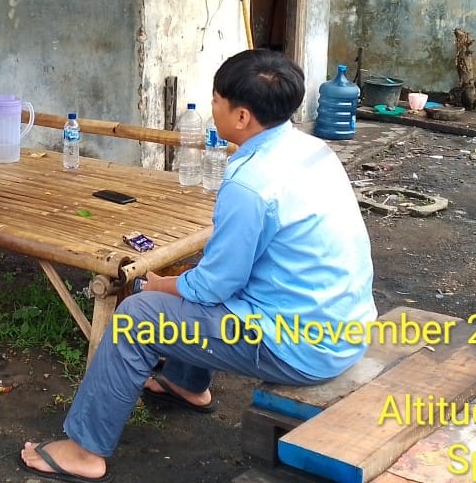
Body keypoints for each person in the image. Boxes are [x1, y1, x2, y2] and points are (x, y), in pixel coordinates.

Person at [19, 49, 377, 483]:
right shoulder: (312, 149)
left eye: (216, 101)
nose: (212, 109)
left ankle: (83, 450)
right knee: (199, 280)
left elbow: (212, 288)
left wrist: (157, 284)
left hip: (302, 348)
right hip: (344, 327)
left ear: (241, 117)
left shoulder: (251, 182)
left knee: (137, 315)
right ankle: (186, 383)